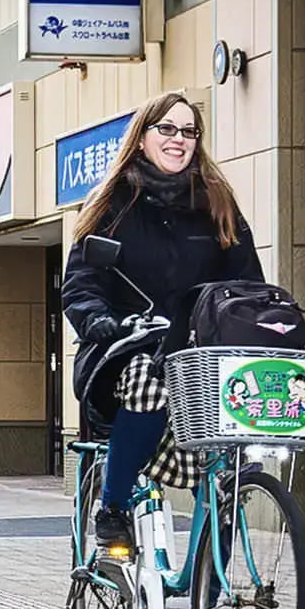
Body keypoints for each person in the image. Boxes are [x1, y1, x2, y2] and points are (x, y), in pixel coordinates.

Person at [62, 92, 265, 549]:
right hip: (127, 349)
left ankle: (205, 605)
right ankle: (112, 505)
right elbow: (81, 282)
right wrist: (99, 320)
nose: (179, 140)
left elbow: (246, 280)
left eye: (189, 131)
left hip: (199, 351)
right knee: (149, 380)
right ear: (141, 137)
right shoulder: (112, 202)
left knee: (221, 475)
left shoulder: (217, 201)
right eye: (167, 129)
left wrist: (256, 319)